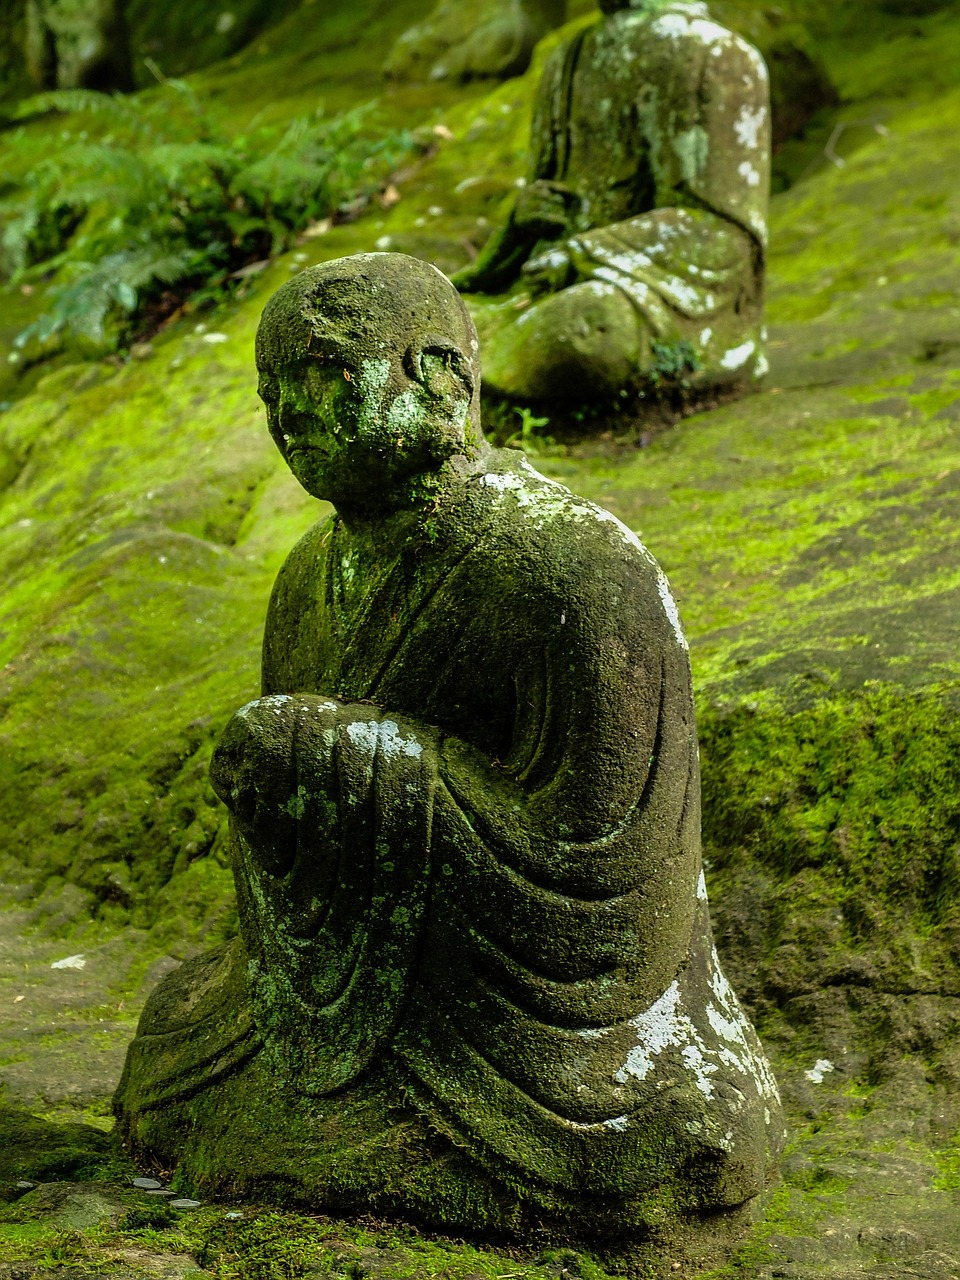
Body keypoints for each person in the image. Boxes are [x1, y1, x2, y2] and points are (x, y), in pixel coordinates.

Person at [115, 253, 782, 1240]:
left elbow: (615, 891)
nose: (289, 418)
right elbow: (296, 888)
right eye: (271, 396)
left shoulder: (578, 566)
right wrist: (304, 794)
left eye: (324, 381)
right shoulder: (305, 579)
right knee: (174, 1047)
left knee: (663, 1131)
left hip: (530, 1027)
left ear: (439, 377)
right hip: (354, 1001)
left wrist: (359, 765)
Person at [453, 0, 771, 406]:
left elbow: (720, 231)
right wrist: (522, 220)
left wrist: (581, 254)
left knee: (581, 331)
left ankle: (488, 366)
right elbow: (546, 197)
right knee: (433, 306)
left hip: (637, 289)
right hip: (539, 282)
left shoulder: (717, 56)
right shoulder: (566, 59)